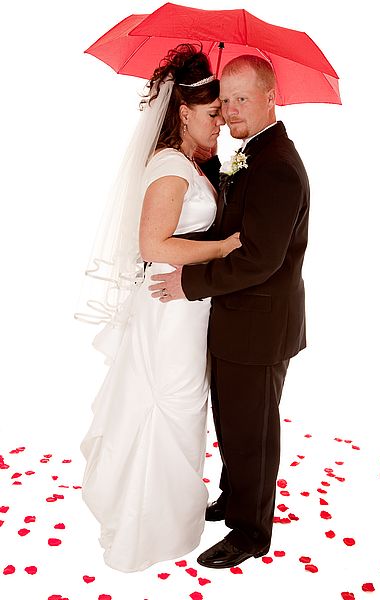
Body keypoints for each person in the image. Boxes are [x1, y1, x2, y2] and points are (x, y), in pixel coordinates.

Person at [77, 44, 240, 573]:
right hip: (170, 310)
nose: (220, 123)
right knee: (171, 405)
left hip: (184, 306)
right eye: (213, 113)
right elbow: (154, 245)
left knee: (181, 407)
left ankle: (168, 519)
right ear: (184, 111)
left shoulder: (190, 164)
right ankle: (147, 529)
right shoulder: (171, 166)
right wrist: (223, 247)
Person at [150, 55, 310, 569]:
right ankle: (235, 496)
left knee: (253, 431)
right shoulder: (251, 156)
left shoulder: (278, 166)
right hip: (238, 321)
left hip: (260, 326)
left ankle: (251, 532)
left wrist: (189, 283)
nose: (231, 110)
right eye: (226, 101)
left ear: (270, 97)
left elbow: (259, 259)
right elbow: (230, 225)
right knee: (235, 422)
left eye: (243, 99)